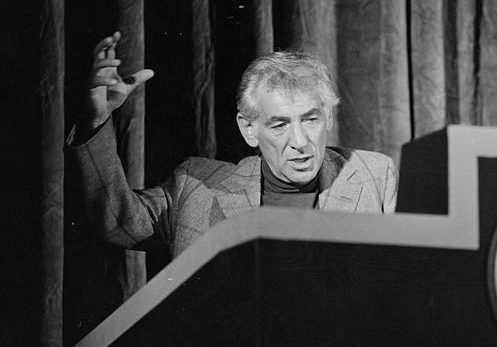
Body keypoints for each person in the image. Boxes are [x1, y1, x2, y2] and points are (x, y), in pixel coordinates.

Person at [70, 31, 398, 258]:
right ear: (249, 129)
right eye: (280, 124)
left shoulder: (374, 176)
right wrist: (94, 123)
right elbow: (114, 222)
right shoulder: (195, 187)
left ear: (327, 116)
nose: (300, 142)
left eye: (310, 120)